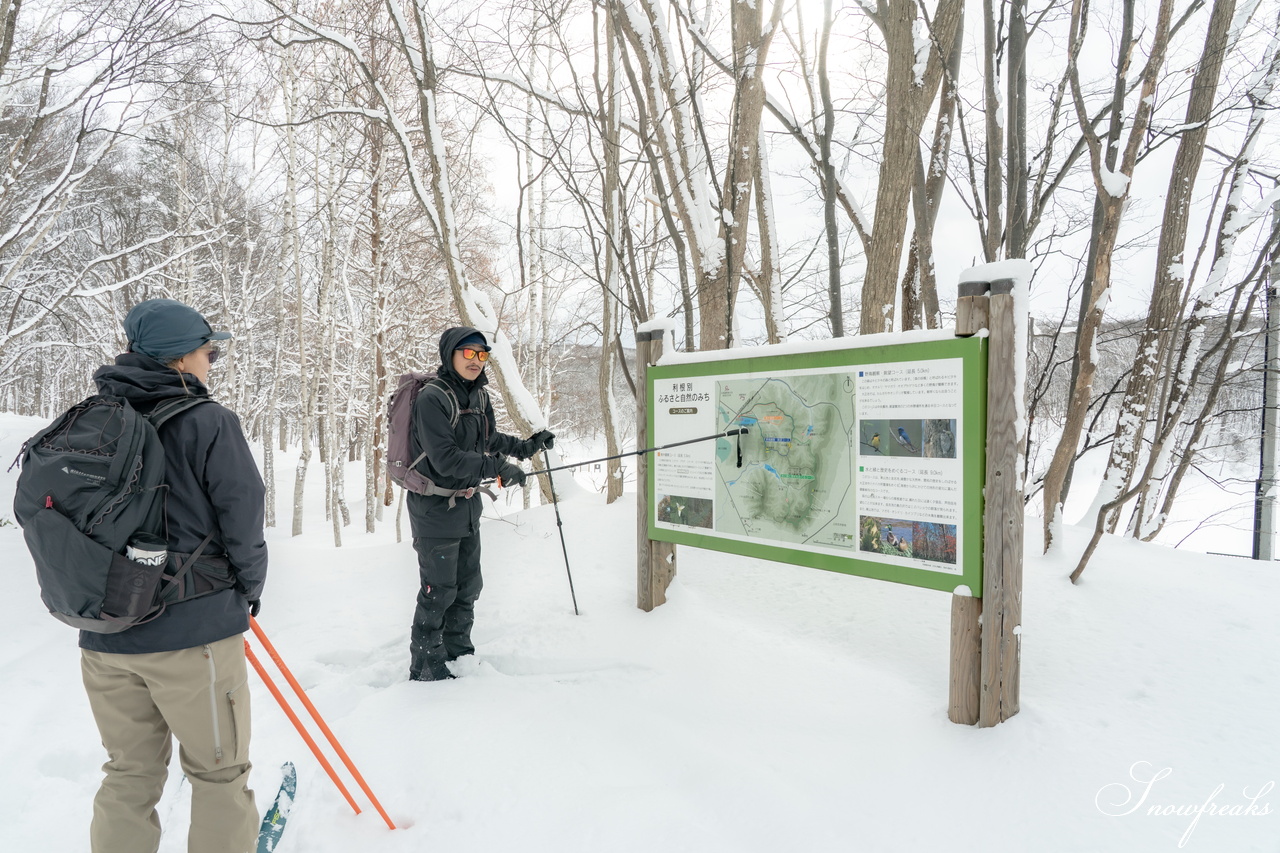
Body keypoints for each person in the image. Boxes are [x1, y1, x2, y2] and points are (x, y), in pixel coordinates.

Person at [81, 298, 268, 853]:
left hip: (103, 638)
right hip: (194, 639)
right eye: (209, 350)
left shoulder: (90, 420)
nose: (213, 360)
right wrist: (248, 591)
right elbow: (243, 513)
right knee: (219, 774)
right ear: (181, 359)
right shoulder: (208, 421)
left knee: (128, 776)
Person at [406, 326, 555, 681]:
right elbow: (446, 459)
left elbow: (487, 439)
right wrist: (498, 467)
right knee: (438, 590)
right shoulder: (433, 398)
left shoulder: (478, 397)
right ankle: (427, 668)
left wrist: (526, 447)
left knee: (467, 586)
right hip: (434, 510)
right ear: (450, 354)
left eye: (482, 354)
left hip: (467, 506)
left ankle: (460, 656)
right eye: (468, 353)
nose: (476, 360)